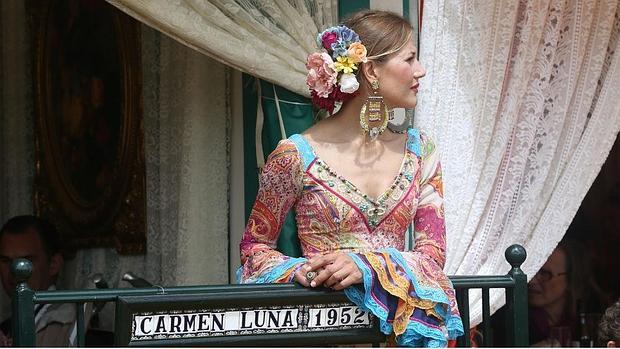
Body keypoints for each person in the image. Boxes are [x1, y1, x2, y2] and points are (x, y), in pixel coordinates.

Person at [238, 10, 464, 347]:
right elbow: (255, 247)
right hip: (328, 332)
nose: (421, 70)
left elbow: (431, 255)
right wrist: (296, 270)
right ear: (371, 70)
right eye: (410, 58)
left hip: (397, 334)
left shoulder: (420, 152)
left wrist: (366, 267)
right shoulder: (295, 155)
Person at [491, 238, 607, 346]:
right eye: (532, 271)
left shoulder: (590, 322)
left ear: (571, 278)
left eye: (545, 273)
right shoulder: (509, 321)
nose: (531, 281)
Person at [0, 215, 76, 347]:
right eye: (6, 261)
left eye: (26, 261)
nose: (15, 270)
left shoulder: (73, 323)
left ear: (54, 264)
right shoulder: (7, 327)